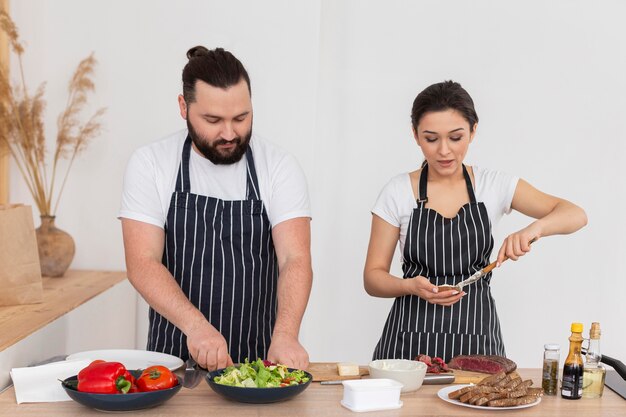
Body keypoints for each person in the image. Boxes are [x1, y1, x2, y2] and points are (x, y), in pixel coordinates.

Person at [364, 81, 587, 362]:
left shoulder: (493, 185)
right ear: (415, 135)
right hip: (410, 342)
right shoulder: (397, 191)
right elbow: (373, 278)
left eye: (455, 138)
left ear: (473, 131)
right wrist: (411, 286)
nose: (444, 151)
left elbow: (575, 214)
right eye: (431, 139)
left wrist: (533, 230)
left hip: (477, 338)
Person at [119, 46, 312, 371]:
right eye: (213, 120)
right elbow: (142, 263)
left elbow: (295, 259)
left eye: (241, 118)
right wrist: (196, 326)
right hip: (172, 365)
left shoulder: (278, 166)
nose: (229, 133)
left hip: (259, 365)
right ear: (183, 107)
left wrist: (287, 333)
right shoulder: (151, 163)